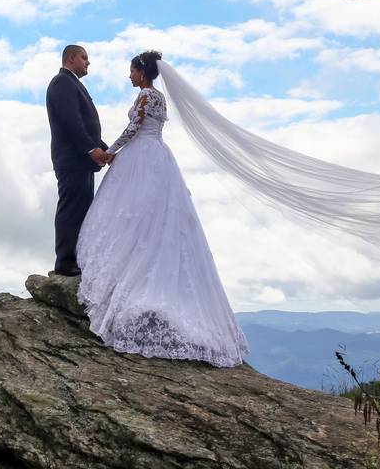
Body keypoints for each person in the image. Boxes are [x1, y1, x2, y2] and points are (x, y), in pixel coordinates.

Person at [75, 50, 250, 368]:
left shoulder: (145, 96)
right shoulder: (161, 98)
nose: (129, 77)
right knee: (155, 220)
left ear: (141, 73)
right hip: (158, 157)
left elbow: (133, 129)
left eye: (131, 72)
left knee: (135, 217)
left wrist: (109, 152)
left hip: (141, 156)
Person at [45, 45, 110, 277]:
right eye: (84, 58)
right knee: (71, 210)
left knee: (82, 210)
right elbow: (71, 121)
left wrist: (104, 148)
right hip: (72, 160)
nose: (88, 63)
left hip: (81, 161)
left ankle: (78, 258)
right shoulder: (62, 83)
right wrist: (92, 149)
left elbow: (84, 125)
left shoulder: (73, 83)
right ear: (71, 58)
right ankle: (65, 261)